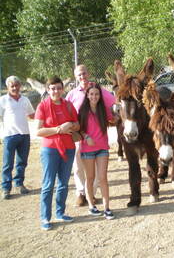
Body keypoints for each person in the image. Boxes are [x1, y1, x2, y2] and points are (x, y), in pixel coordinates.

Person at [66, 65, 115, 207]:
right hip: (78, 134)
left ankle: (91, 195)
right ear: (76, 77)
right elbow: (68, 111)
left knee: (96, 171)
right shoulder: (72, 94)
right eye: (80, 75)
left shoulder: (98, 90)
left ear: (89, 73)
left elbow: (112, 101)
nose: (83, 77)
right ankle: (81, 193)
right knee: (78, 166)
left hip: (98, 138)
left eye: (85, 73)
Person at [35, 76, 80, 230]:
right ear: (48, 90)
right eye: (53, 88)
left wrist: (71, 126)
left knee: (63, 183)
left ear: (63, 89)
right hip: (50, 149)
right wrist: (58, 129)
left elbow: (78, 125)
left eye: (59, 88)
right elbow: (38, 131)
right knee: (48, 184)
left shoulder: (68, 105)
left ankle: (60, 212)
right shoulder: (42, 106)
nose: (56, 91)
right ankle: (45, 218)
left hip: (68, 148)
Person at [79, 84, 115, 219]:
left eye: (97, 94)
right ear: (87, 95)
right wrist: (86, 136)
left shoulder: (104, 109)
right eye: (91, 94)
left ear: (100, 96)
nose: (94, 96)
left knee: (103, 178)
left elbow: (114, 119)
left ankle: (107, 208)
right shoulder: (82, 110)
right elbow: (79, 129)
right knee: (90, 178)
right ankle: (91, 205)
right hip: (88, 149)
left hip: (102, 148)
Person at [0, 76, 35, 200]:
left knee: (22, 162)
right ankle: (6, 188)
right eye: (12, 86)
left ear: (20, 86)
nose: (15, 88)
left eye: (16, 85)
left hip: (24, 135)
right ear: (8, 87)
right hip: (9, 136)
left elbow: (32, 115)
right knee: (7, 163)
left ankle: (19, 184)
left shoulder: (25, 100)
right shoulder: (3, 100)